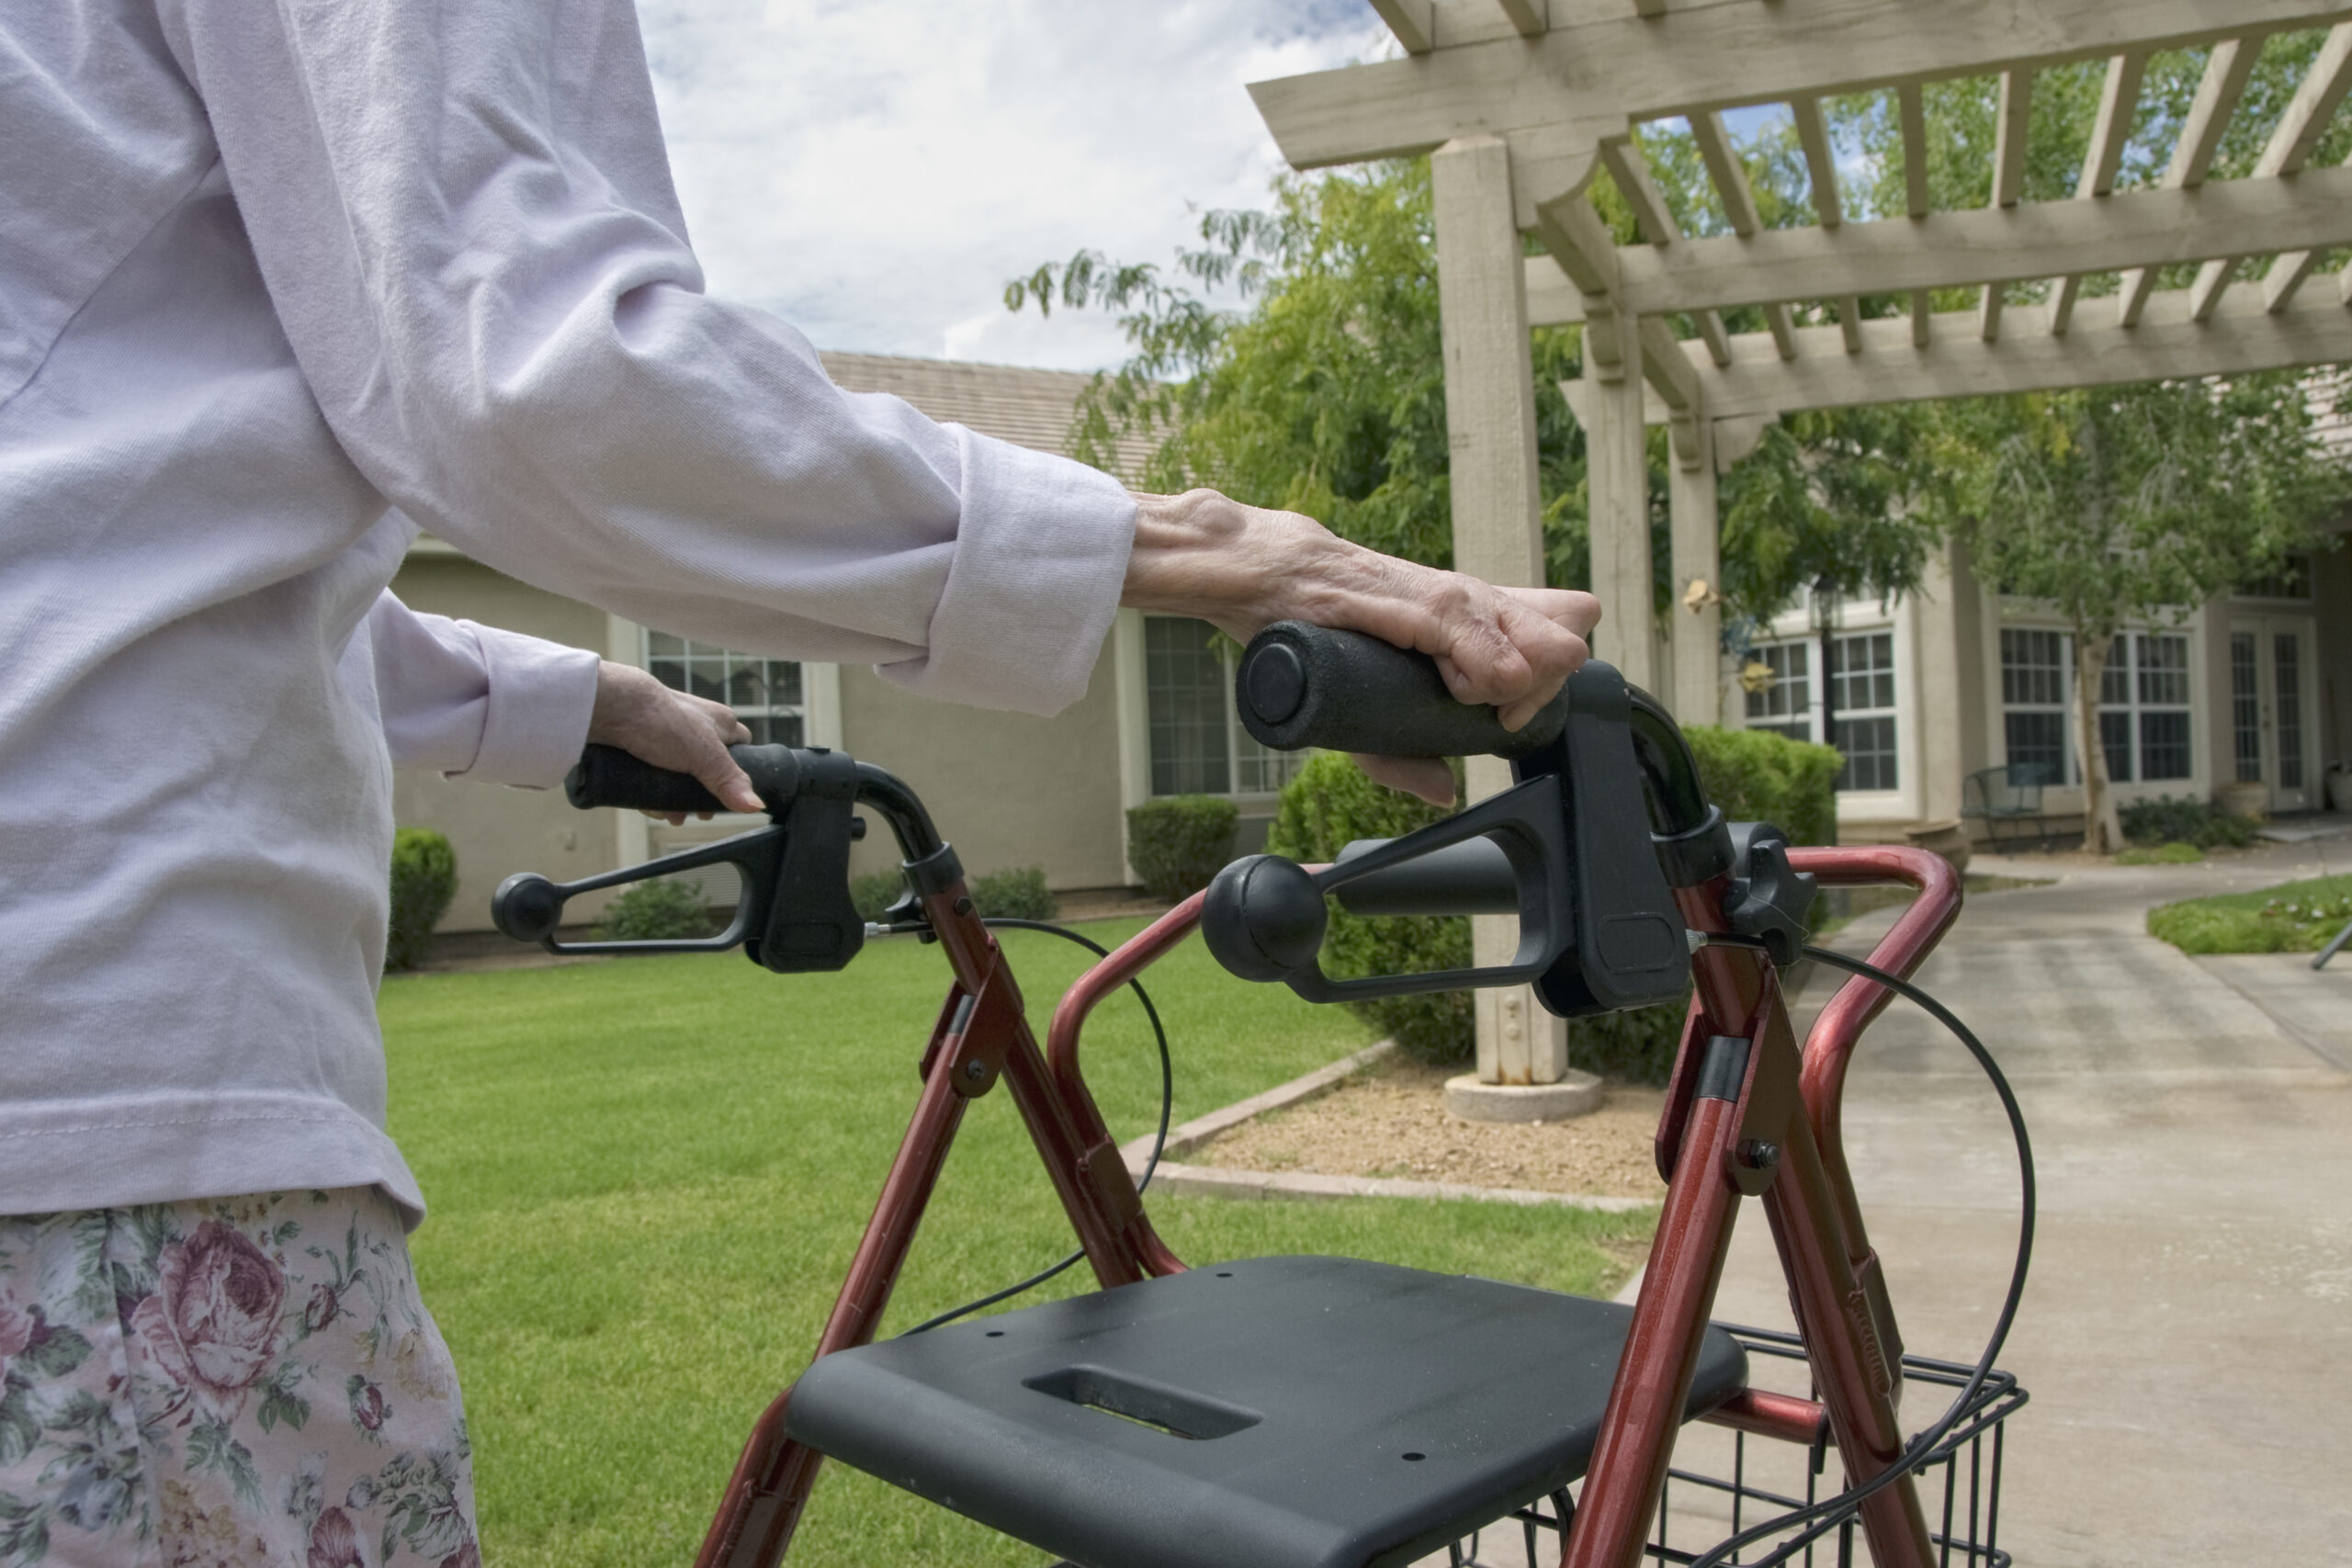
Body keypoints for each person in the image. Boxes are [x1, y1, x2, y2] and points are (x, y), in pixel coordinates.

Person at [0, 1, 1600, 1563]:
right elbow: (534, 373)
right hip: (108, 1155)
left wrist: (561, 697)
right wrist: (1228, 552)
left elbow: (112, 497)